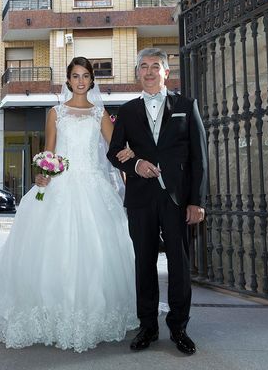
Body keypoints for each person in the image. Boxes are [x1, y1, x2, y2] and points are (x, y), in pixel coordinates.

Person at [0, 57, 140, 352]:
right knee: (50, 249)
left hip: (93, 186)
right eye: (75, 76)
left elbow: (114, 149)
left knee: (95, 252)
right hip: (60, 185)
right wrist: (42, 175)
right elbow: (48, 150)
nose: (81, 81)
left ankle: (94, 313)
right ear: (68, 80)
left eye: (86, 75)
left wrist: (131, 167)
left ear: (92, 80)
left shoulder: (100, 114)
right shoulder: (55, 112)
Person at [107, 48, 207, 356]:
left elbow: (199, 157)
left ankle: (179, 326)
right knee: (144, 265)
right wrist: (135, 165)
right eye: (144, 67)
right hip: (140, 199)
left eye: (155, 66)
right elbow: (114, 152)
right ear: (137, 72)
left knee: (179, 266)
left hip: (177, 200)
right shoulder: (125, 111)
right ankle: (147, 326)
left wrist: (196, 201)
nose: (149, 72)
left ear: (166, 72)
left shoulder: (186, 106)